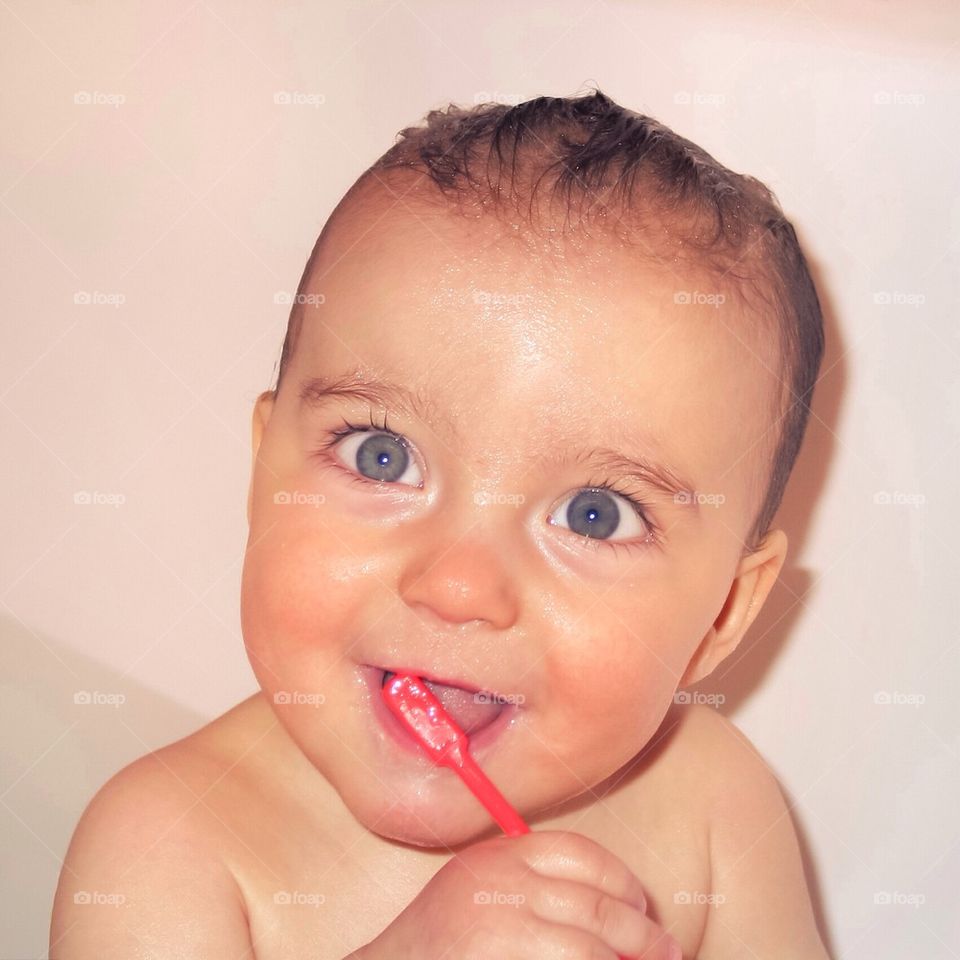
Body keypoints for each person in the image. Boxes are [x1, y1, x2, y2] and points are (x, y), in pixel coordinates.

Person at [51, 88, 830, 959]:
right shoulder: (171, 846)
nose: (457, 584)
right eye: (383, 456)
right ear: (265, 475)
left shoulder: (717, 806)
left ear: (724, 614)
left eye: (594, 515)